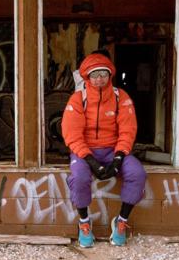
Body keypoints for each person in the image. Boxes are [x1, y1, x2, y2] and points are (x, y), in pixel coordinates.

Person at [61, 52, 147, 248]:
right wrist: (91, 161)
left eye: (103, 74)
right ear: (87, 77)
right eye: (94, 75)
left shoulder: (121, 97)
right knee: (80, 178)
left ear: (110, 76)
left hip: (113, 149)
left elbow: (128, 129)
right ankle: (84, 222)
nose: (99, 79)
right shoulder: (78, 98)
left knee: (137, 174)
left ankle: (121, 221)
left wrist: (118, 158)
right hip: (85, 151)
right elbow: (72, 133)